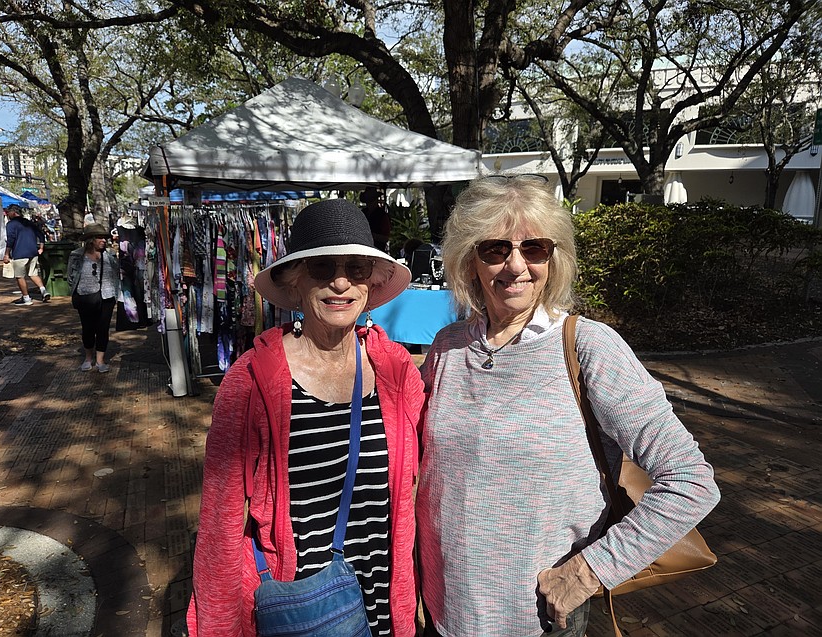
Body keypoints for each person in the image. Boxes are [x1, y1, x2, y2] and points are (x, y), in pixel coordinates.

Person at [416, 175, 721, 637]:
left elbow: (691, 481)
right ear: (469, 260)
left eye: (534, 248)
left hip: (538, 616)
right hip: (442, 608)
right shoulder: (448, 346)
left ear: (554, 258)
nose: (515, 266)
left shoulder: (589, 347)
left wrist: (587, 572)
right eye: (495, 249)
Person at [187, 199, 424, 637]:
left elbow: (417, 489)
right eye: (321, 268)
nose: (340, 282)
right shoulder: (251, 381)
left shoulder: (396, 370)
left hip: (383, 598)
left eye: (355, 268)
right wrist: (218, 625)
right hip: (300, 608)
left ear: (370, 283)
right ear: (295, 284)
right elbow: (220, 522)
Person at [67, 223, 120, 373]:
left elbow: (117, 272)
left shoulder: (109, 254)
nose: (103, 240)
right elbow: (70, 276)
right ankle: (88, 358)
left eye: (105, 237)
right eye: (99, 237)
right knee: (88, 328)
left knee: (103, 329)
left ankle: (100, 360)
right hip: (85, 296)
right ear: (91, 240)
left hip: (107, 296)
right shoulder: (77, 255)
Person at [3, 204, 50, 305]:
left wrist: (6, 254)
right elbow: (40, 234)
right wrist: (41, 247)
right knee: (33, 273)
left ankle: (26, 298)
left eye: (8, 212)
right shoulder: (29, 222)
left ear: (13, 212)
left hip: (20, 253)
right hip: (33, 252)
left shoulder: (11, 224)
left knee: (20, 276)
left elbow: (10, 239)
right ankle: (43, 291)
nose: (7, 214)